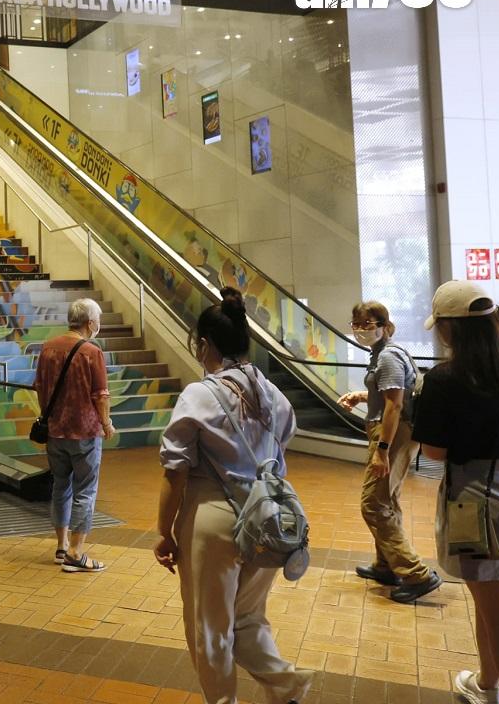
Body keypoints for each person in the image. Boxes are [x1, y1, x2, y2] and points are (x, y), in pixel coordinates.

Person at [153, 288, 313, 704]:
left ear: (205, 344)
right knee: (247, 617)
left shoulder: (199, 394)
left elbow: (175, 471)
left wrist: (164, 532)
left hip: (212, 518)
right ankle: (285, 686)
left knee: (211, 627)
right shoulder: (274, 394)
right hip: (266, 517)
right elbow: (281, 444)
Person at [415, 280, 499, 704]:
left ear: (449, 329)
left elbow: (434, 453)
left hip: (473, 501)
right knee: (493, 603)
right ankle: (486, 686)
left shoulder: (445, 379)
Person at [336, 301, 441, 603]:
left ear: (384, 325)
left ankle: (417, 574)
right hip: (391, 431)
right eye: (356, 324)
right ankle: (386, 566)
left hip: (393, 435)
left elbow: (395, 405)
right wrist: (362, 396)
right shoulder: (383, 353)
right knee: (387, 499)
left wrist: (381, 450)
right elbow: (388, 395)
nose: (361, 329)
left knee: (373, 503)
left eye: (368, 324)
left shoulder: (388, 356)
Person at [33, 298, 110, 572]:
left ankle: (61, 546)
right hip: (85, 431)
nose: (99, 325)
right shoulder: (91, 352)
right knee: (85, 490)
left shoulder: (48, 348)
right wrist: (107, 423)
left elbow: (40, 387)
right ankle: (76, 553)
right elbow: (101, 395)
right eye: (98, 321)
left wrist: (48, 416)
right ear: (90, 323)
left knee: (60, 486)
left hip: (55, 431)